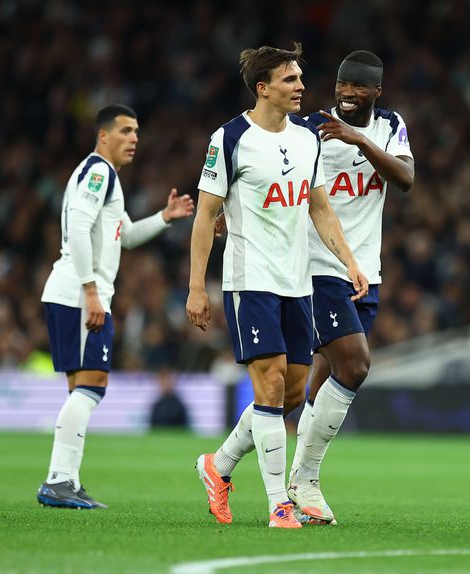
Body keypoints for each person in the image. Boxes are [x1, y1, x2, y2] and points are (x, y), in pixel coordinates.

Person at [185, 43, 368, 529]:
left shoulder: (308, 140)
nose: (302, 87)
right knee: (267, 385)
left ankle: (218, 465)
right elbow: (206, 214)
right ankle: (278, 504)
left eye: (301, 79)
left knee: (290, 392)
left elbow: (319, 206)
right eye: (290, 80)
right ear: (263, 88)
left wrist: (348, 261)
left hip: (298, 282)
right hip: (251, 280)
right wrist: (196, 287)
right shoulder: (229, 139)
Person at [37, 104, 195, 509]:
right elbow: (76, 229)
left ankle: (65, 480)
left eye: (137, 131)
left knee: (82, 388)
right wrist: (91, 291)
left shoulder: (107, 178)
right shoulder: (98, 172)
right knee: (92, 386)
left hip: (73, 292)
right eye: (125, 131)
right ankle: (58, 479)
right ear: (102, 135)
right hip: (78, 293)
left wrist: (165, 216)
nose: (134, 138)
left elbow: (123, 236)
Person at [284, 49, 414, 524]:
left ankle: (229, 464)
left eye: (358, 87)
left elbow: (405, 179)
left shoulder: (390, 126)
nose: (346, 93)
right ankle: (307, 480)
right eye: (341, 84)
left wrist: (359, 141)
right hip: (320, 266)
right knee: (356, 366)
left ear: (376, 90)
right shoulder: (309, 128)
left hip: (366, 273)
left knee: (308, 387)